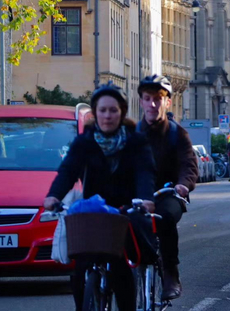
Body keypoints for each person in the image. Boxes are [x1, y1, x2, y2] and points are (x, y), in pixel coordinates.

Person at [43, 82, 156, 311]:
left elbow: (145, 172)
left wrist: (145, 198)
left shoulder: (136, 141)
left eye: (113, 110)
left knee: (122, 267)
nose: (107, 116)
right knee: (81, 267)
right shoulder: (84, 142)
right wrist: (53, 196)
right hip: (94, 211)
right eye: (102, 110)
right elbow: (68, 171)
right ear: (95, 112)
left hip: (125, 208)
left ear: (121, 112)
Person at [136, 75, 199, 300]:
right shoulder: (132, 135)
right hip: (138, 195)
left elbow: (189, 164)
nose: (153, 104)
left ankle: (171, 272)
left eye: (158, 99)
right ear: (141, 102)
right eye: (147, 99)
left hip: (168, 193)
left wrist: (183, 184)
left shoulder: (177, 134)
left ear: (168, 102)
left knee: (165, 218)